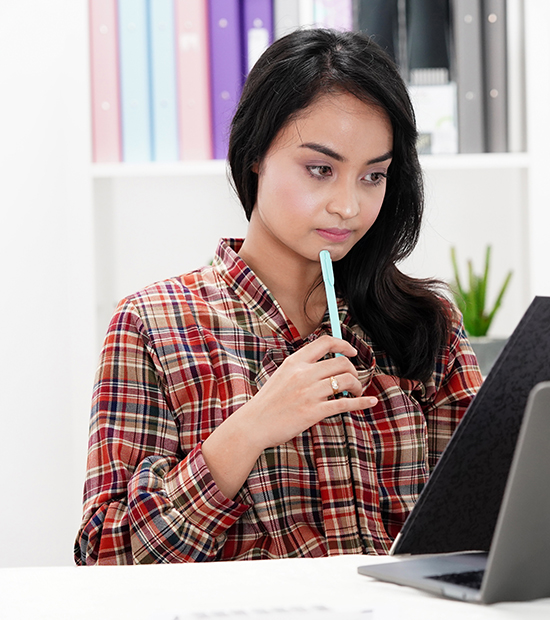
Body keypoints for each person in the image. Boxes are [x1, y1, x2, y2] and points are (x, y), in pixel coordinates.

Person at [75, 28, 483, 564]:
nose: (348, 206)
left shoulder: (426, 324)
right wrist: (248, 429)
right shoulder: (153, 325)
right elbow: (104, 560)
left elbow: (487, 521)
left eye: (373, 176)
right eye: (321, 169)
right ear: (255, 156)